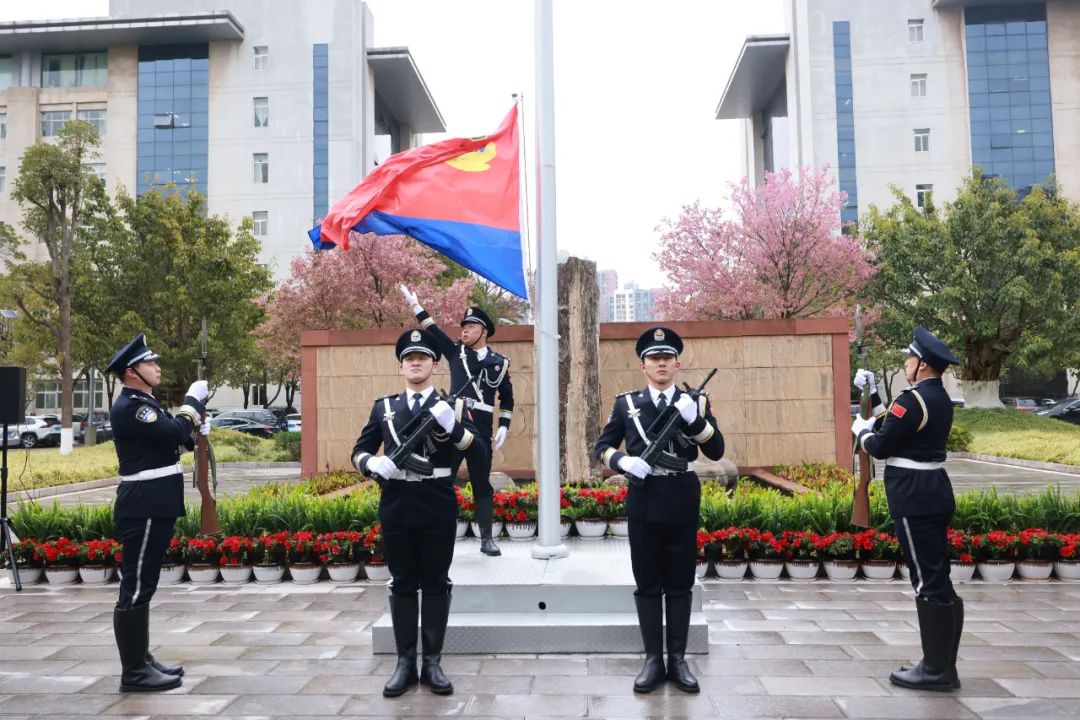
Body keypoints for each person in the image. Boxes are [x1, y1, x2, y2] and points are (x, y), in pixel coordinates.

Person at [352, 328, 487, 697]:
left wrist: (452, 426)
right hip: (396, 503)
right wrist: (372, 464)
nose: (415, 362)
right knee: (402, 581)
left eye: (422, 357)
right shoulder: (384, 408)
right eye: (409, 358)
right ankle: (405, 662)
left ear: (434, 364)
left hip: (437, 502)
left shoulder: (453, 407)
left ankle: (433, 662)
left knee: (436, 582)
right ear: (401, 367)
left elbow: (479, 455)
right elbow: (358, 450)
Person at [594, 327, 724, 694]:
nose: (661, 363)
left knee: (680, 580)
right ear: (643, 366)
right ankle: (653, 659)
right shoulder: (625, 404)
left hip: (681, 493)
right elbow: (601, 445)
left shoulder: (694, 402)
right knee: (648, 579)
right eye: (654, 358)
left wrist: (697, 422)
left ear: (677, 363)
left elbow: (715, 451)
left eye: (667, 357)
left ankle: (678, 660)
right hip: (644, 495)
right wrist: (622, 461)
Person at [851, 325, 962, 692]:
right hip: (933, 490)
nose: (906, 362)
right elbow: (900, 424)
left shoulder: (913, 400)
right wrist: (873, 393)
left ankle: (934, 670)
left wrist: (861, 431)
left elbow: (882, 444)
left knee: (927, 582)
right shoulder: (936, 397)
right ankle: (944, 666)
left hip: (914, 496)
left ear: (923, 365)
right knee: (939, 578)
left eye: (910, 358)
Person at [104, 333, 210, 693]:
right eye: (151, 363)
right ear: (132, 372)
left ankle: (141, 659)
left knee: (144, 584)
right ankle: (133, 673)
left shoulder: (143, 401)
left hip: (153, 503)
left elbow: (176, 439)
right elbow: (170, 432)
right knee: (136, 586)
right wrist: (192, 404)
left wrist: (194, 429)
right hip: (144, 505)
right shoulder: (134, 406)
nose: (158, 367)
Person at [400, 285, 514, 557]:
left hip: (482, 426)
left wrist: (504, 427)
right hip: (453, 424)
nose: (464, 330)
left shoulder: (500, 362)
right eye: (463, 326)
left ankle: (486, 538)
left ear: (484, 331)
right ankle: (436, 533)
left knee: (481, 482)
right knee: (443, 478)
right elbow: (433, 330)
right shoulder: (455, 353)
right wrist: (418, 307)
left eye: (471, 326)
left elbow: (506, 398)